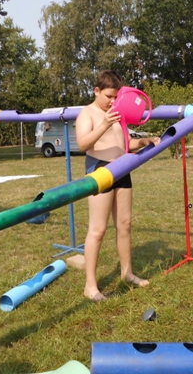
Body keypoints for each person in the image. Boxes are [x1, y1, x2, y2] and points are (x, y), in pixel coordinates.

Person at [76, 70, 161, 301]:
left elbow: (123, 142)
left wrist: (143, 141)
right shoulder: (88, 114)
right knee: (98, 229)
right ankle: (90, 286)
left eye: (116, 97)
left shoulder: (117, 114)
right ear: (96, 91)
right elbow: (83, 144)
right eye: (108, 96)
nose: (113, 101)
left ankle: (127, 273)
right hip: (100, 170)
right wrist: (104, 123)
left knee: (125, 224)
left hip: (122, 168)